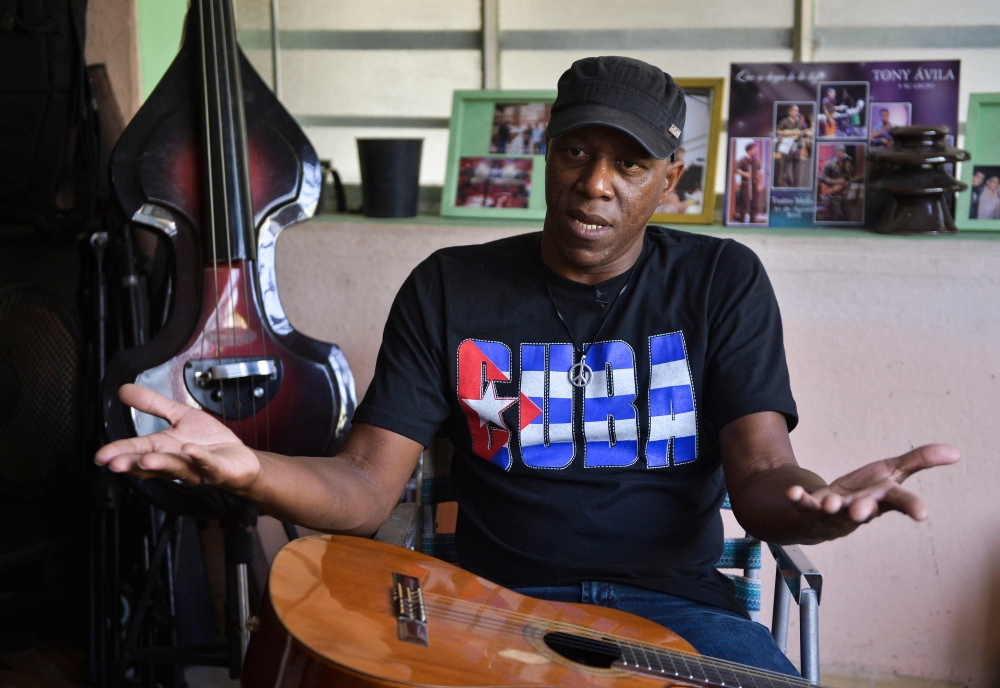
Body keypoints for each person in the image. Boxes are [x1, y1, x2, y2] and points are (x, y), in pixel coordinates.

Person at [96, 56, 957, 677]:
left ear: (671, 181)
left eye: (629, 163)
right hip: (492, 605)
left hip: (675, 610)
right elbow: (362, 492)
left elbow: (765, 474)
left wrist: (821, 512)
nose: (596, 184)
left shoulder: (719, 281)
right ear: (546, 152)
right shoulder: (450, 288)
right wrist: (250, 470)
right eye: (578, 152)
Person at [774, 104, 811, 187]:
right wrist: (788, 133)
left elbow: (805, 131)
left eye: (797, 111)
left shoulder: (800, 123)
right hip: (787, 147)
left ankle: (797, 184)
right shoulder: (784, 122)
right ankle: (783, 183)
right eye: (794, 110)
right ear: (790, 111)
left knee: (797, 166)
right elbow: (777, 131)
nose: (796, 112)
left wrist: (807, 133)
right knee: (785, 166)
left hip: (797, 147)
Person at [820, 144, 858, 222]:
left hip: (845, 193)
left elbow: (853, 177)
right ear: (836, 152)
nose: (842, 152)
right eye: (841, 151)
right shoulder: (830, 164)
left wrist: (847, 182)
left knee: (847, 216)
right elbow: (822, 178)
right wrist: (836, 182)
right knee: (836, 214)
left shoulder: (848, 164)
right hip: (834, 193)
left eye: (844, 151)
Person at [734, 141, 758, 223]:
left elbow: (760, 171)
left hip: (754, 184)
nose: (755, 151)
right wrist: (745, 174)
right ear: (749, 150)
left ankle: (753, 219)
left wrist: (760, 183)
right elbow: (736, 170)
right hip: (745, 184)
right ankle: (742, 219)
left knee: (754, 201)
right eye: (754, 149)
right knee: (744, 201)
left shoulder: (756, 160)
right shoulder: (743, 160)